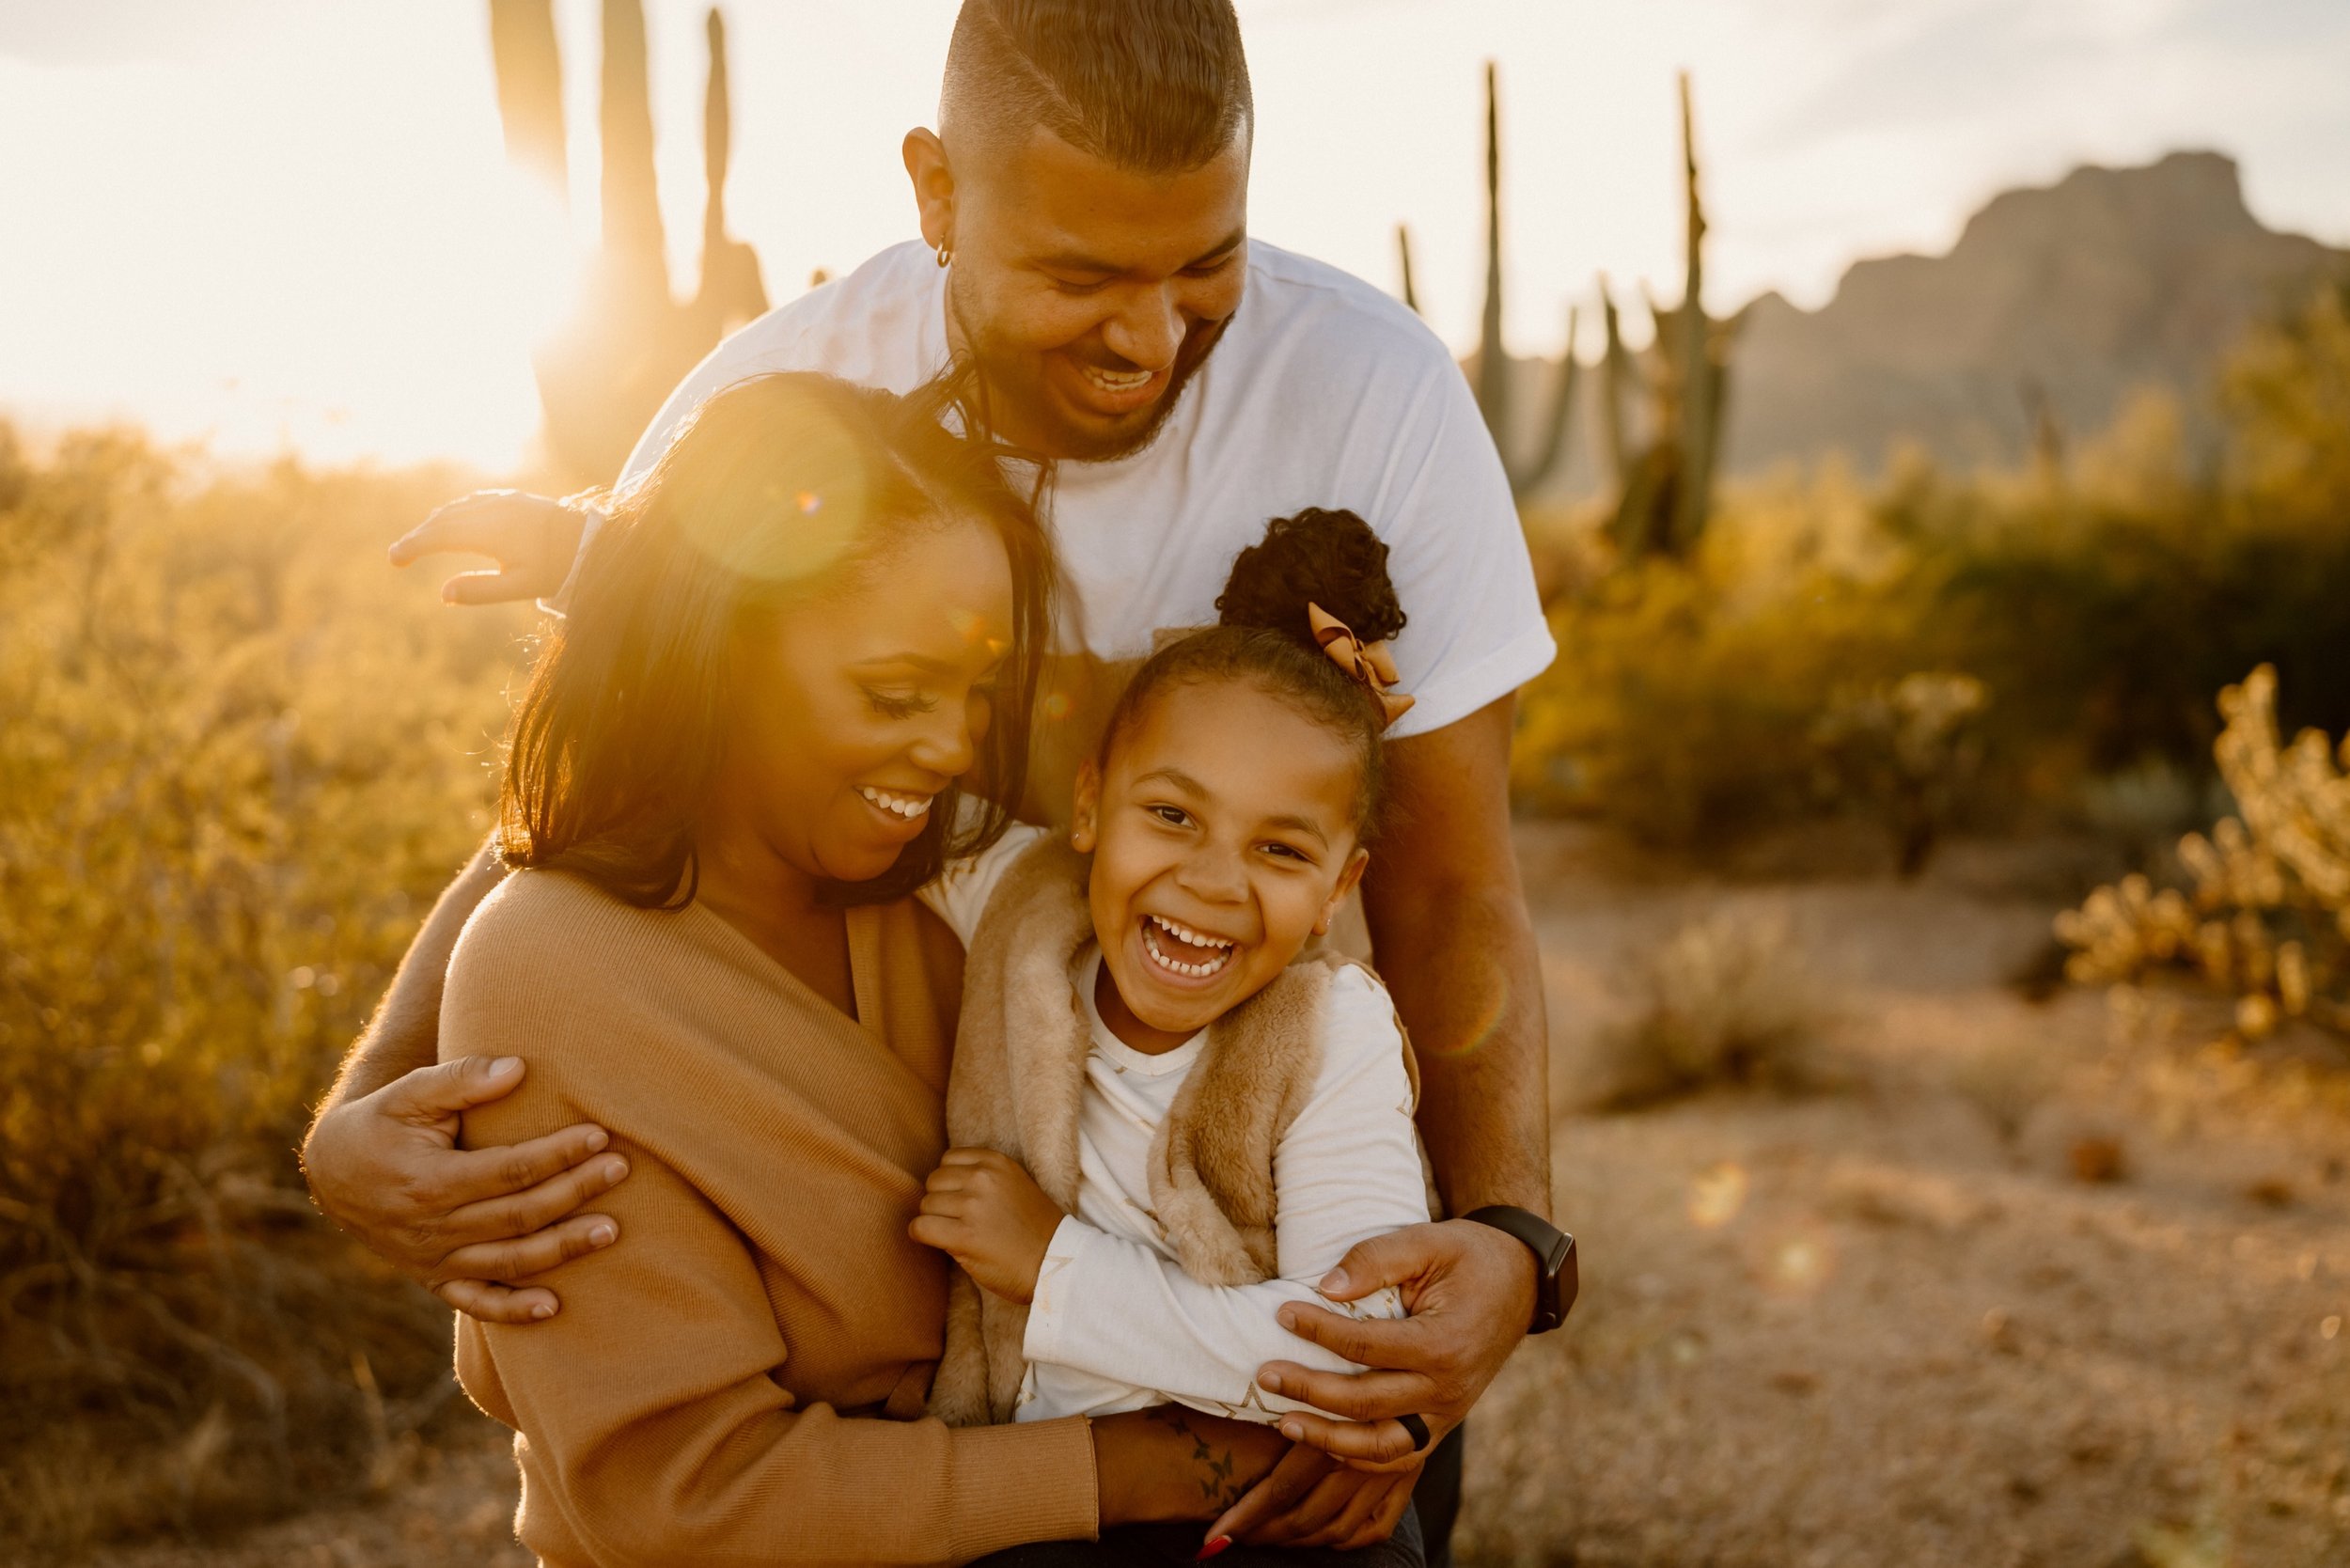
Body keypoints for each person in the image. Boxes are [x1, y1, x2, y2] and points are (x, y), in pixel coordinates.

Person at [303, 1, 1569, 1555]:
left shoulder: (1370, 393)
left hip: (1242, 1168)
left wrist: (1510, 1235)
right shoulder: (778, 397)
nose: (1148, 338)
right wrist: (365, 1101)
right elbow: (611, 786)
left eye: (1202, 272)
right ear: (937, 192)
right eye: (1080, 277)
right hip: (974, 1315)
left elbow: (1452, 881)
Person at [439, 368, 1306, 1564]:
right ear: (717, 649)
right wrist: (1147, 1468)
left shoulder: (966, 890)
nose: (952, 749)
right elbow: (685, 1499)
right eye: (894, 694)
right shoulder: (549, 976)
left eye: (975, 694)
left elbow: (1279, 1053)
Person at [914, 510, 1437, 1564]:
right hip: (1028, 1498)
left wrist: (1052, 1267)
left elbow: (1352, 1356)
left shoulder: (1329, 1032)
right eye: (1173, 816)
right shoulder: (1020, 911)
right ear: (1092, 806)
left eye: (1280, 849)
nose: (1209, 882)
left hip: (1259, 1525)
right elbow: (801, 775)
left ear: (1340, 887)